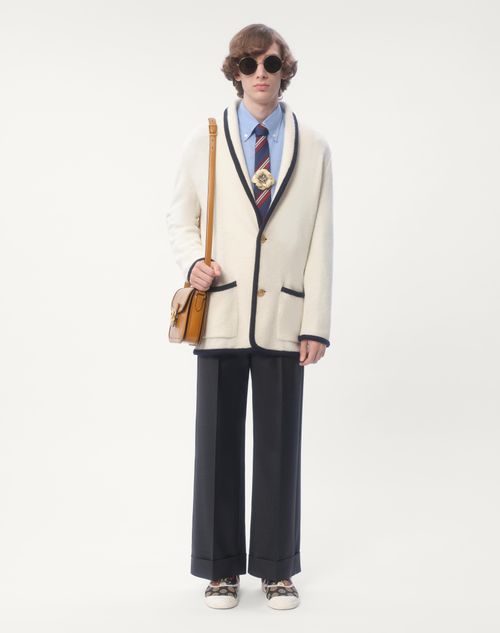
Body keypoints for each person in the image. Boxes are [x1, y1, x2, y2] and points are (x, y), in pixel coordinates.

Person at [166, 23, 333, 610]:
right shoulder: (205, 139)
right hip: (222, 309)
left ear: (285, 70)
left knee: (279, 446)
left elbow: (320, 237)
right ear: (234, 72)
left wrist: (316, 323)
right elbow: (180, 218)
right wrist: (194, 263)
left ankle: (276, 568)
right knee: (217, 444)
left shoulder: (313, 146)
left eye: (270, 63)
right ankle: (219, 570)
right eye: (248, 64)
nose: (260, 73)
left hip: (286, 316)